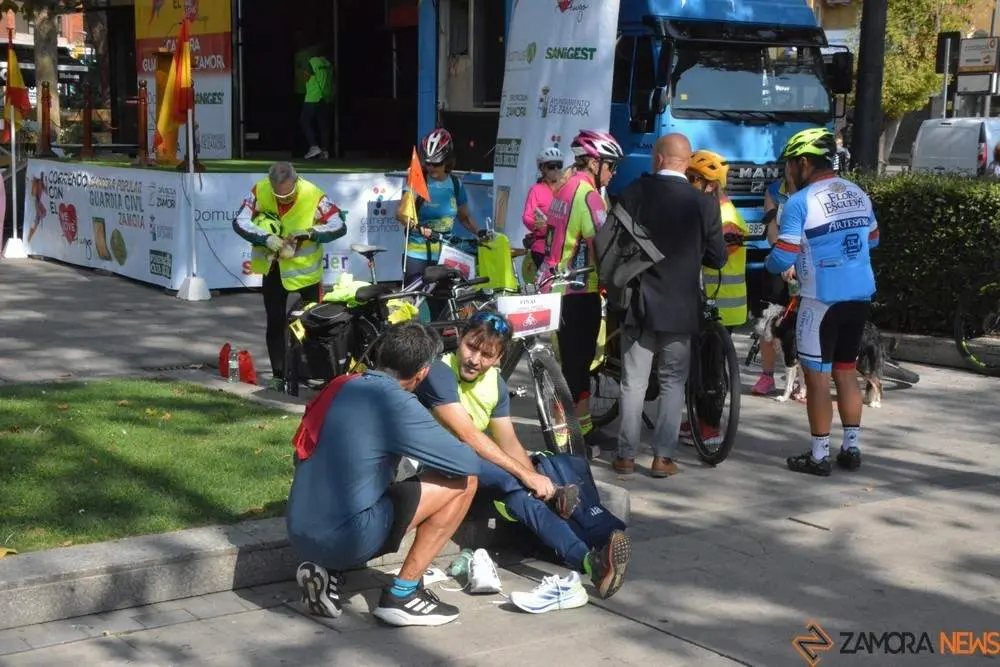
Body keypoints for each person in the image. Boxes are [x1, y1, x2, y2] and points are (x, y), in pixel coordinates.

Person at [414, 311, 631, 600]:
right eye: (471, 347)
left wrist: (535, 480)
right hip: (433, 463)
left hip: (471, 472)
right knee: (513, 479)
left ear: (499, 358)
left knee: (522, 497)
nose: (475, 359)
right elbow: (468, 435)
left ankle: (591, 563)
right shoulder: (440, 371)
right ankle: (578, 518)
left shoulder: (495, 384)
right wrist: (528, 476)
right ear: (460, 339)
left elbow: (509, 442)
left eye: (486, 354)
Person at [286, 322, 480, 627]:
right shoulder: (397, 402)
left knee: (365, 471)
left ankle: (328, 571)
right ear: (423, 373)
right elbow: (469, 463)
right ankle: (403, 596)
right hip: (347, 536)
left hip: (298, 528)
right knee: (465, 482)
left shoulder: (340, 384)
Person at [610, 134, 727, 478]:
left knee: (634, 381)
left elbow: (615, 240)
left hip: (640, 302)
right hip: (681, 306)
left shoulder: (636, 192)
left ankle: (625, 457)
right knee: (674, 381)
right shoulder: (704, 204)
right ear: (687, 162)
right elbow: (718, 257)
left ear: (659, 158)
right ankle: (663, 458)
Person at [765, 127, 879, 476]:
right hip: (859, 295)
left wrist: (771, 266)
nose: (786, 173)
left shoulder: (800, 202)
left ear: (803, 163)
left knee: (817, 379)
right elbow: (872, 240)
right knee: (846, 372)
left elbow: (783, 256)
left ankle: (818, 456)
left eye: (788, 166)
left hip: (820, 300)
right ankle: (852, 448)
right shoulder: (858, 192)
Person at [540, 129, 624, 451]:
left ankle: (584, 428)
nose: (613, 173)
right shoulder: (588, 194)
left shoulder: (564, 188)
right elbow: (604, 243)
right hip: (578, 289)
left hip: (557, 286)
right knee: (576, 367)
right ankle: (567, 440)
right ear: (593, 161)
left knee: (574, 364)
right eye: (611, 166)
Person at [232, 162, 347, 389]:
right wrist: (265, 238)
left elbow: (338, 224)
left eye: (288, 194)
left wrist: (311, 233)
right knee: (275, 323)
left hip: (307, 273)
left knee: (315, 324)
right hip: (274, 269)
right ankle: (279, 376)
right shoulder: (260, 189)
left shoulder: (313, 194)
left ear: (296, 181)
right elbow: (239, 221)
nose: (283, 199)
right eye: (278, 196)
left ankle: (317, 373)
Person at [677, 149, 747, 446]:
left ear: (708, 184)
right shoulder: (712, 208)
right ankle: (697, 418)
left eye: (692, 179)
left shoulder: (724, 215)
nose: (689, 184)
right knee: (701, 365)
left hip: (721, 302)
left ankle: (709, 427)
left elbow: (714, 255)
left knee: (711, 371)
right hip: (711, 300)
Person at [397, 128, 479, 292]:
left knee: (443, 307)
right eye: (428, 163)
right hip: (417, 255)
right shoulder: (418, 182)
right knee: (412, 305)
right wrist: (418, 228)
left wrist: (480, 232)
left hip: (445, 256)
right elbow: (401, 214)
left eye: (437, 163)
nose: (431, 167)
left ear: (447, 161)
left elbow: (464, 217)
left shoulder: (455, 184)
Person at [750, 174, 797, 396]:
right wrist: (785, 260)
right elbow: (772, 233)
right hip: (780, 257)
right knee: (767, 320)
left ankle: (802, 381)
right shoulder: (774, 191)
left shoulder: (815, 190)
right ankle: (767, 376)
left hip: (807, 261)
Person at [522, 146, 566, 270]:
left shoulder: (566, 189)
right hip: (542, 248)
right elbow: (527, 217)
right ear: (542, 168)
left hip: (562, 248)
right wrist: (543, 226)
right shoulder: (536, 190)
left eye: (559, 165)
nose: (556, 169)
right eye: (552, 166)